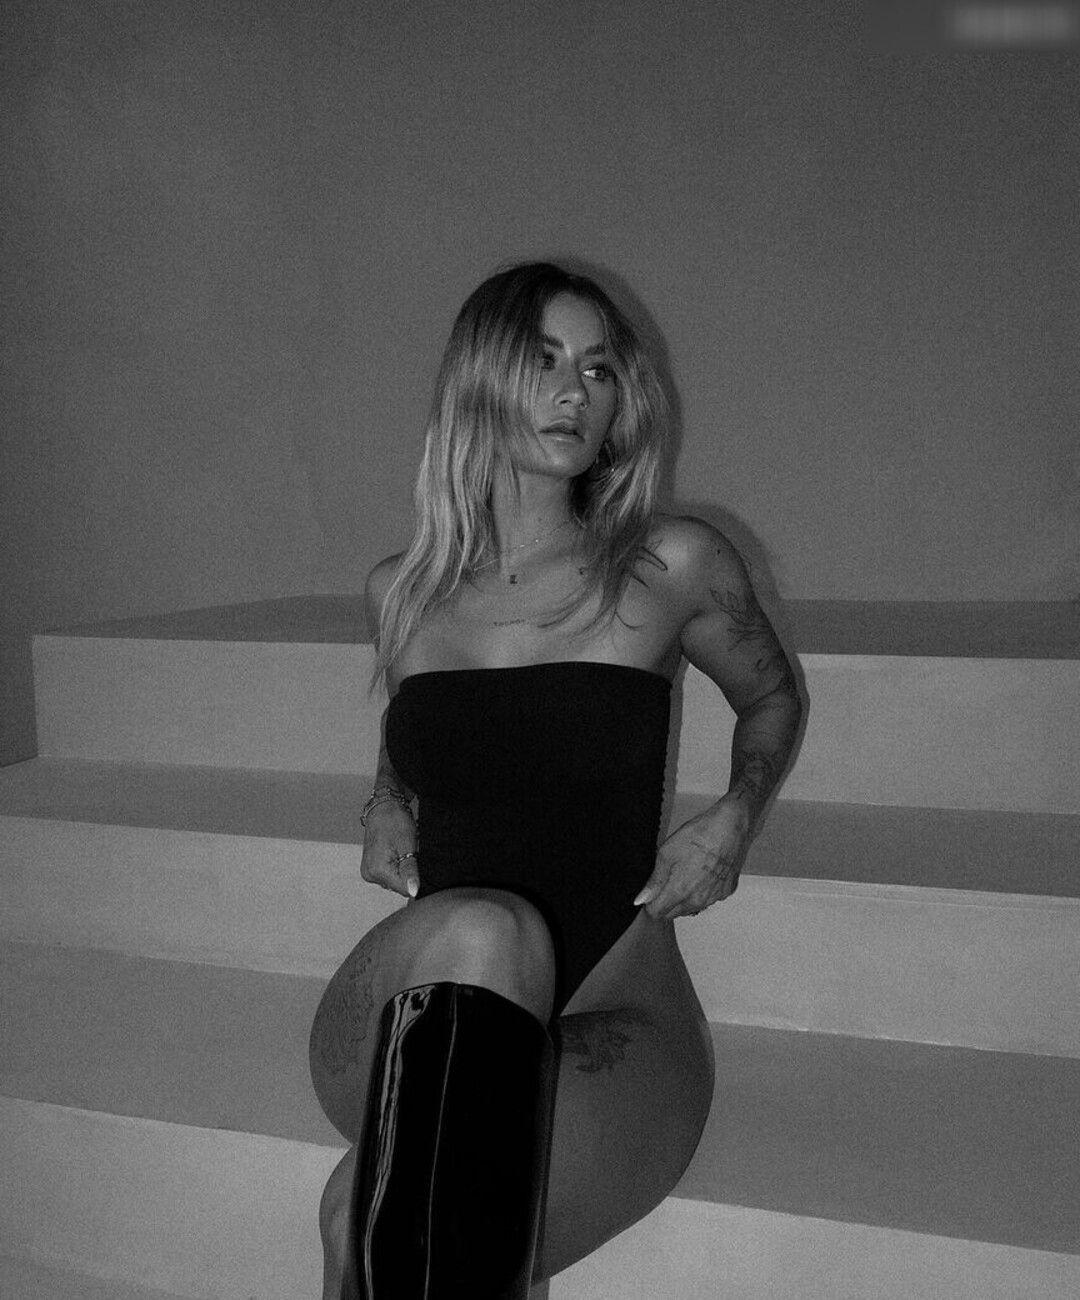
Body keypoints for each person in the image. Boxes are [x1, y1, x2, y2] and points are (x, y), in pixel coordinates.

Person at [308, 261, 803, 1298]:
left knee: (364, 1217)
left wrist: (733, 818)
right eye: (543, 362)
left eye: (599, 369)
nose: (576, 392)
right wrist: (388, 796)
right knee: (484, 930)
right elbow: (422, 725)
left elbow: (771, 698)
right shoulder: (402, 591)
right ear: (478, 379)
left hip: (614, 1007)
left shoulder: (671, 563)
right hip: (424, 998)